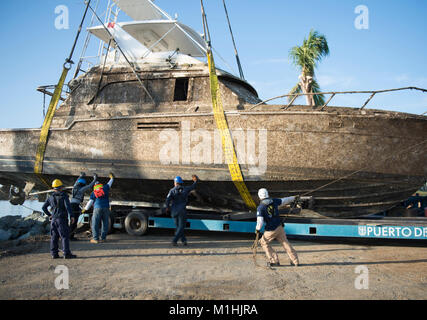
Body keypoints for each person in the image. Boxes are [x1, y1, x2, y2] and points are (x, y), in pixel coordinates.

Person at [255, 188, 301, 267]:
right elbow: (284, 200)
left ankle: (274, 261)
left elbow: (260, 222)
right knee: (285, 243)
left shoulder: (260, 207)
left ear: (259, 196)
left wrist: (257, 230)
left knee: (263, 242)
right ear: (267, 194)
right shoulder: (274, 201)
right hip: (279, 227)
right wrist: (294, 197)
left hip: (271, 229)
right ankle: (295, 261)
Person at [42, 179, 77, 259]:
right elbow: (68, 207)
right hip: (61, 219)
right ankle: (66, 254)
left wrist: (49, 215)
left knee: (54, 237)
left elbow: (43, 207)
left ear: (53, 188)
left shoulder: (50, 197)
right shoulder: (64, 196)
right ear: (61, 187)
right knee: (64, 236)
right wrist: (72, 216)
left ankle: (54, 254)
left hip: (53, 220)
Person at [165, 175, 198, 246]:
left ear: (175, 183)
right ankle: (175, 240)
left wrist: (167, 208)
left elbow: (167, 200)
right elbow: (193, 187)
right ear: (180, 182)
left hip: (174, 211)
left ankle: (184, 241)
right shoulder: (185, 189)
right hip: (182, 211)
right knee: (181, 227)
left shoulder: (171, 191)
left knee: (178, 227)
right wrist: (195, 181)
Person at [83, 173, 115, 244]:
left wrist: (85, 209)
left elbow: (90, 202)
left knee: (95, 223)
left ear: (95, 186)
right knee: (105, 223)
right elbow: (110, 182)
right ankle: (103, 238)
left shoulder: (94, 192)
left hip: (97, 208)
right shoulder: (105, 188)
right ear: (100, 185)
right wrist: (112, 178)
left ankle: (95, 239)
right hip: (106, 208)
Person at [69, 172, 97, 240]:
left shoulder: (74, 187)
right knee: (74, 222)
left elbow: (77, 181)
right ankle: (70, 237)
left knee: (72, 221)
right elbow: (90, 186)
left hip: (71, 205)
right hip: (75, 206)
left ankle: (69, 236)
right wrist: (95, 178)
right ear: (82, 184)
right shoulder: (81, 189)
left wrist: (80, 176)